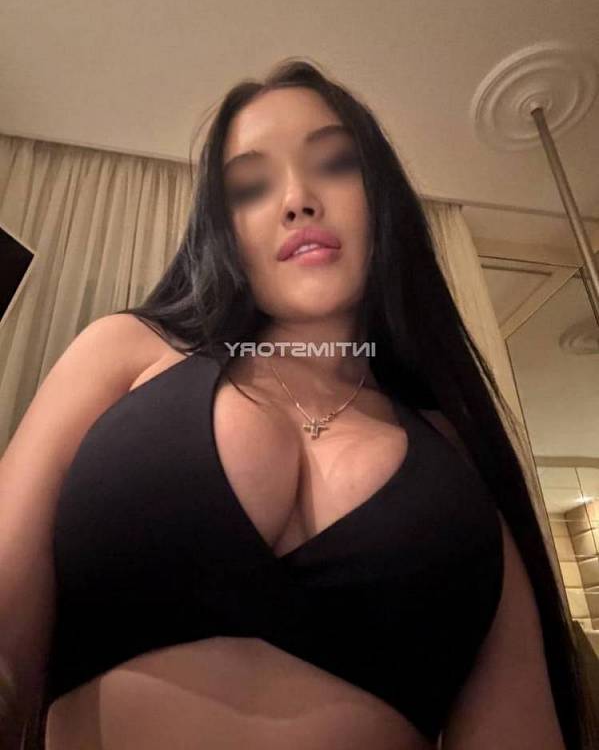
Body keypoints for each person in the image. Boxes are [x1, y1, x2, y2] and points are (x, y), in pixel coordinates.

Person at [1, 58, 595, 750]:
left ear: (382, 200)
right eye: (250, 185)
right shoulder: (126, 351)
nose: (296, 199)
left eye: (335, 163)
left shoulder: (454, 450)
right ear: (223, 230)